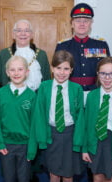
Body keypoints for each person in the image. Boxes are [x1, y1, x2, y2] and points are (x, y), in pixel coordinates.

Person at [32, 50, 85, 182]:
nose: (62, 72)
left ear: (71, 70)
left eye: (66, 68)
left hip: (70, 135)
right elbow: (39, 114)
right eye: (58, 68)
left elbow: (80, 117)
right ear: (52, 68)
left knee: (68, 174)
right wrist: (42, 139)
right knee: (54, 174)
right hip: (51, 135)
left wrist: (78, 142)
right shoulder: (44, 87)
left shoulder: (77, 89)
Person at [0, 55, 37, 182]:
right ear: (7, 72)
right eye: (12, 70)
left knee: (24, 178)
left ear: (27, 72)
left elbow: (34, 124)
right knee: (8, 177)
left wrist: (32, 148)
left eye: (20, 69)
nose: (16, 73)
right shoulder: (0, 94)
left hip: (25, 145)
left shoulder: (32, 96)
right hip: (6, 145)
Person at [55, 3, 110, 94]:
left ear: (91, 23)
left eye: (86, 21)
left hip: (96, 92)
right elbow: (57, 72)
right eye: (78, 21)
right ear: (72, 24)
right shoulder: (62, 46)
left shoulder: (101, 45)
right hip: (69, 92)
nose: (82, 24)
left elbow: (108, 70)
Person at [0, 19, 51, 90]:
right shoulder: (3, 54)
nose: (23, 33)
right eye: (19, 30)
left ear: (31, 35)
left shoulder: (41, 55)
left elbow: (47, 82)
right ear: (13, 35)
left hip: (36, 99)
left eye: (27, 31)